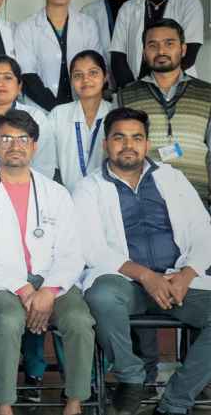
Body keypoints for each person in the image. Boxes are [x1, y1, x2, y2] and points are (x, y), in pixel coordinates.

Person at [75, 107, 211, 415]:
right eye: (119, 137)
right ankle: (131, 375)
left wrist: (187, 273)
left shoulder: (172, 178)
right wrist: (146, 276)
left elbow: (204, 231)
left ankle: (175, 403)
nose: (128, 145)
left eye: (137, 138)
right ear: (106, 144)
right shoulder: (89, 188)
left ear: (147, 144)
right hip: (126, 285)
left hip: (177, 283)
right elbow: (89, 246)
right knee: (101, 296)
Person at [0, 109, 93, 415]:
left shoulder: (56, 193)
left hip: (52, 280)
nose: (15, 145)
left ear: (34, 145)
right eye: (6, 138)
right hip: (4, 283)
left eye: (23, 139)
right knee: (7, 321)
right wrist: (22, 289)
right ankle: (4, 403)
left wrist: (48, 291)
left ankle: (75, 401)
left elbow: (72, 253)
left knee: (78, 320)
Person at [116, 19, 211, 204]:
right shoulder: (126, 96)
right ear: (144, 53)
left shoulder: (207, 94)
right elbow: (118, 154)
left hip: (197, 201)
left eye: (169, 43)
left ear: (183, 49)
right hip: (145, 203)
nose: (161, 51)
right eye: (153, 45)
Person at [15, 0, 102, 114]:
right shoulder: (26, 28)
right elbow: (28, 75)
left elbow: (95, 68)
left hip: (82, 108)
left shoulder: (88, 25)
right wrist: (58, 112)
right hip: (42, 111)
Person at [0, 55, 56, 187]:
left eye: (8, 77)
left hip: (25, 192)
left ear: (19, 86)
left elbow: (45, 166)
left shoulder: (36, 117)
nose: (0, 84)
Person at [49, 50, 113, 191]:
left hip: (108, 196)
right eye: (78, 75)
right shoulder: (58, 114)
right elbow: (47, 161)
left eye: (93, 73)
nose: (86, 80)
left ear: (105, 77)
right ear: (71, 81)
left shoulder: (115, 113)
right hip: (66, 197)